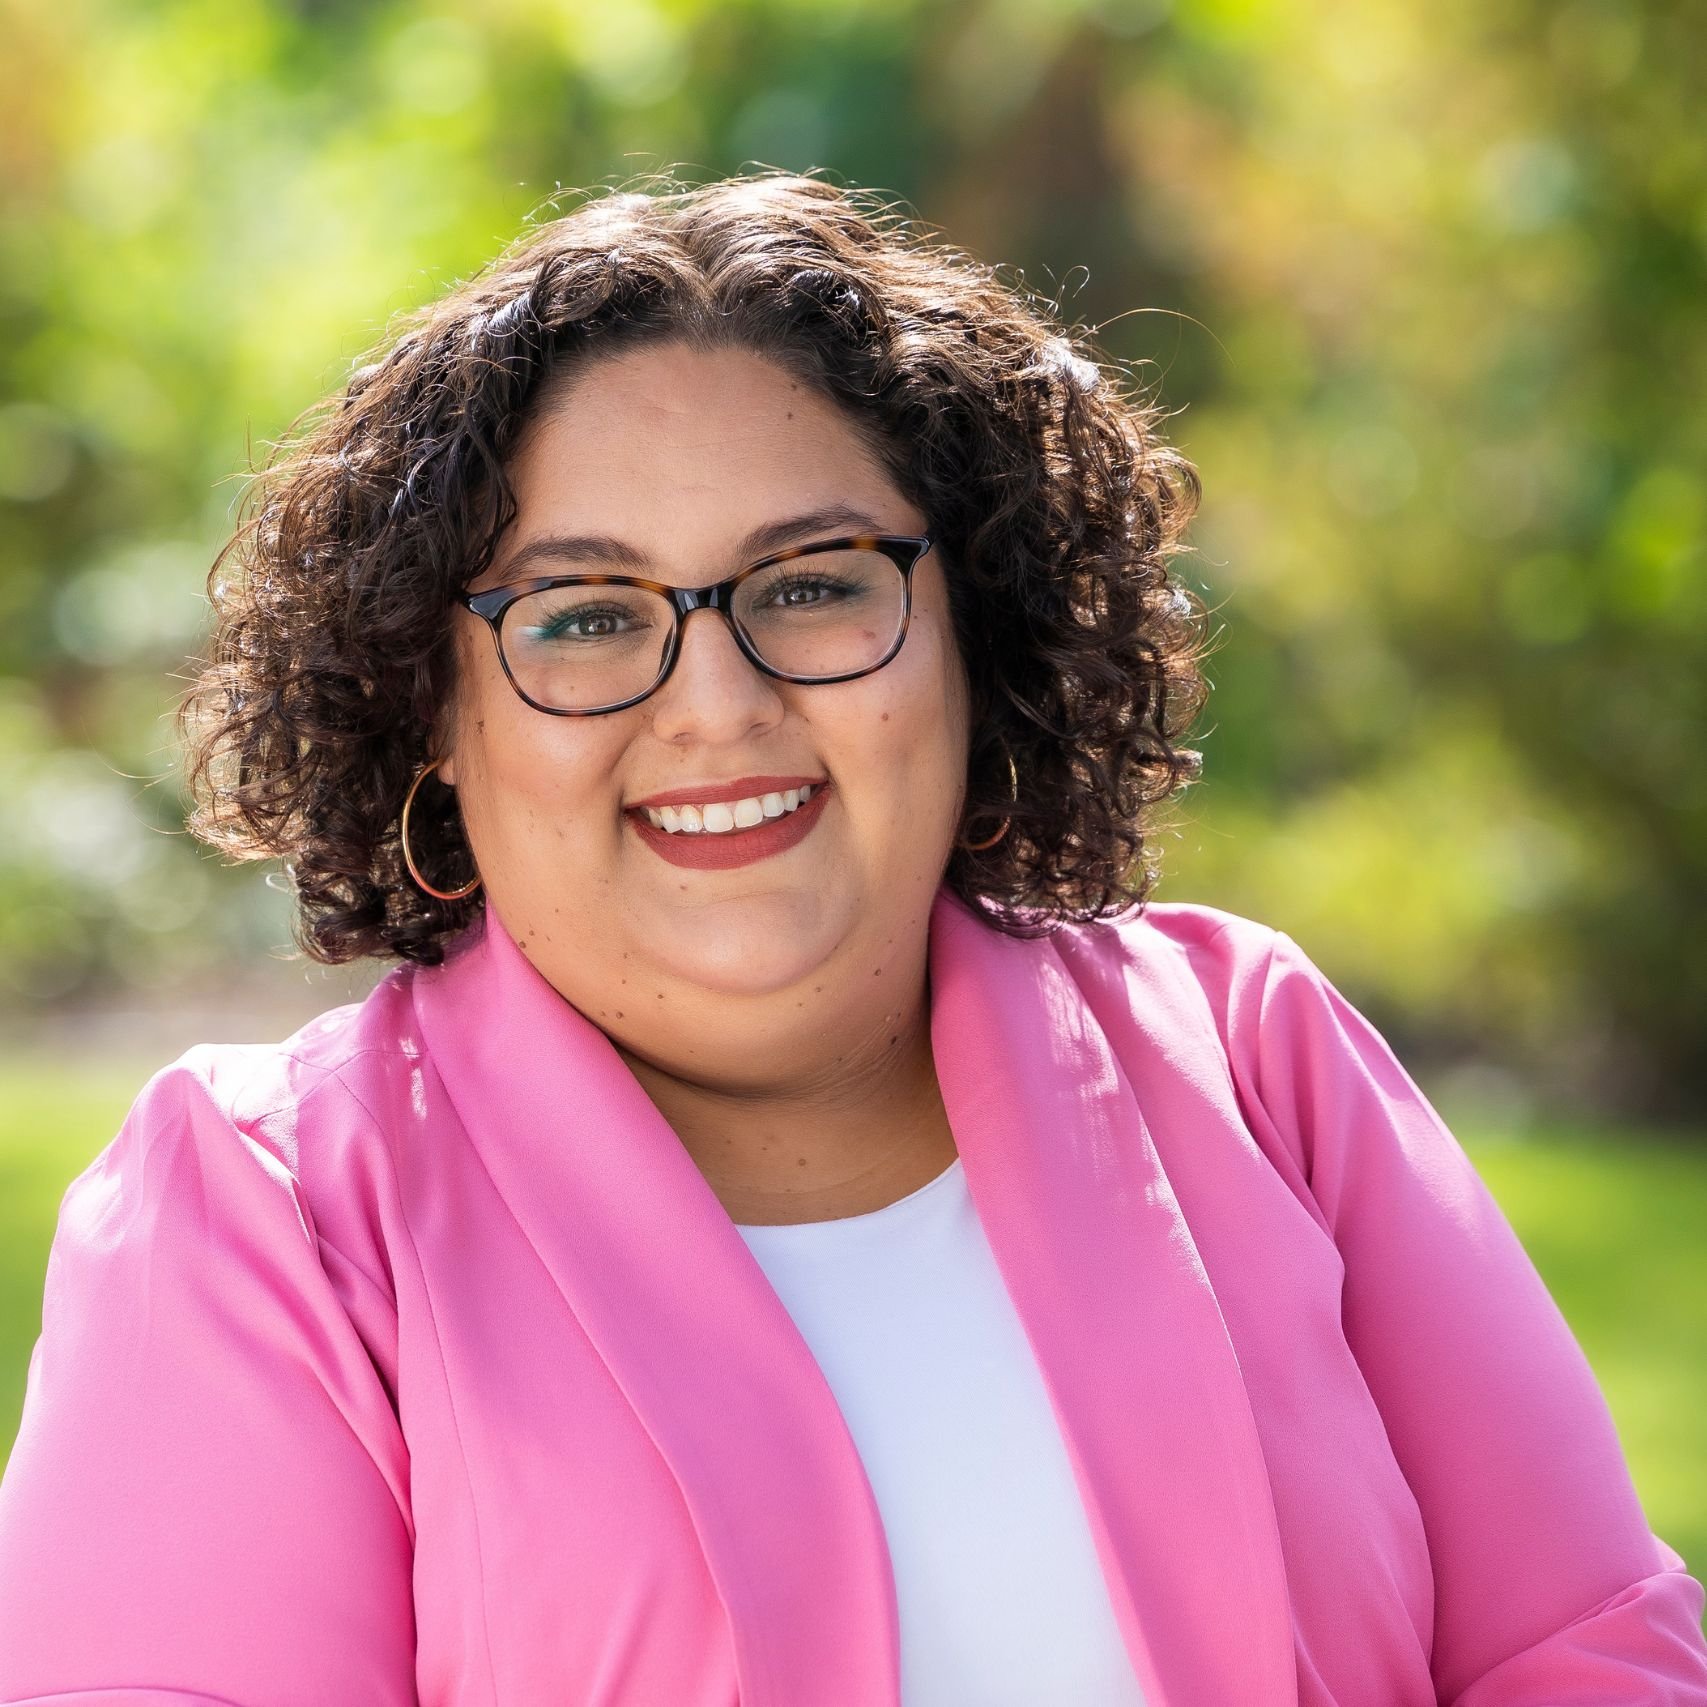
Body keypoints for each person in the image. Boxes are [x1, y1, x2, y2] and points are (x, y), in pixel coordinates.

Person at [0, 169, 1702, 1707]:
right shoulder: (269, 1218)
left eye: (813, 581)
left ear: (972, 628)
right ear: (432, 710)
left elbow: (1587, 1653)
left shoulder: (1253, 1055)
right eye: (587, 617)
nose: (719, 704)